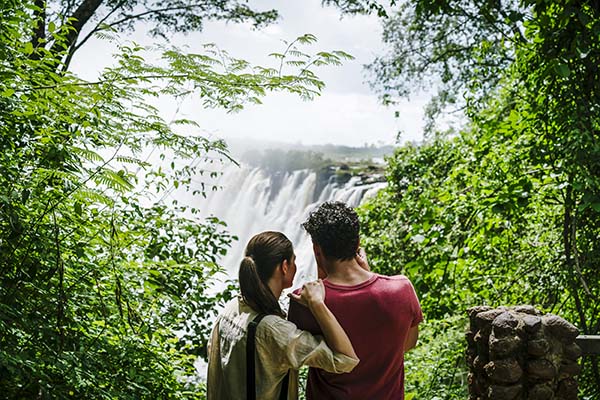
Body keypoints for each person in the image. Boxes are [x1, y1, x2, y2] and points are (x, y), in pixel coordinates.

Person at [288, 201, 424, 400]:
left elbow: (300, 357)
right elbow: (406, 344)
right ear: (358, 243)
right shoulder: (402, 289)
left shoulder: (304, 300)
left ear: (317, 250)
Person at [207, 231, 359, 400]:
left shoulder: (232, 308)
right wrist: (317, 304)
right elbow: (345, 360)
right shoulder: (274, 331)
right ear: (284, 267)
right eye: (294, 261)